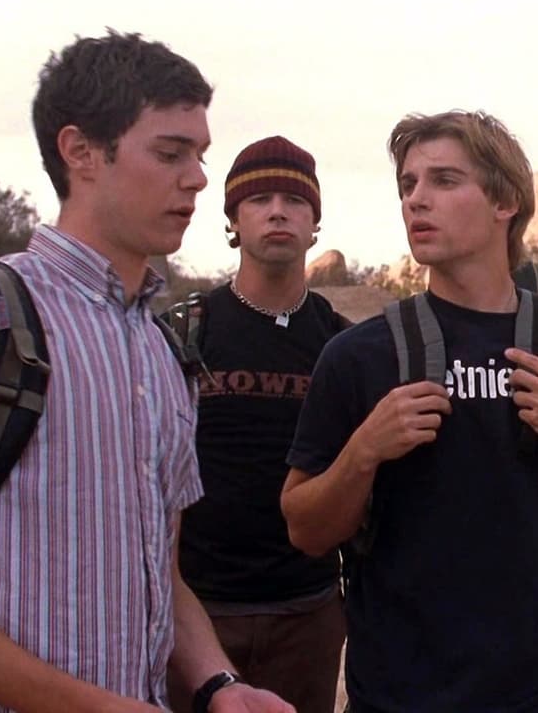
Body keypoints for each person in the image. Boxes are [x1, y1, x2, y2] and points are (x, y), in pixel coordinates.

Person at [0, 32, 292, 713]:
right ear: (81, 151)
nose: (198, 179)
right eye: (170, 153)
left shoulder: (164, 350)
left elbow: (159, 571)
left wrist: (218, 682)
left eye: (200, 155)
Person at [281, 110, 538, 712]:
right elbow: (304, 529)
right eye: (408, 184)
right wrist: (364, 451)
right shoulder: (359, 356)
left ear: (505, 201)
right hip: (397, 696)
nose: (416, 200)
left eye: (444, 180)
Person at [170, 136, 347, 713]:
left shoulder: (343, 345)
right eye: (259, 199)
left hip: (308, 612)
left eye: (294, 200)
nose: (277, 212)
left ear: (314, 224)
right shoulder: (182, 332)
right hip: (196, 612)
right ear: (233, 220)